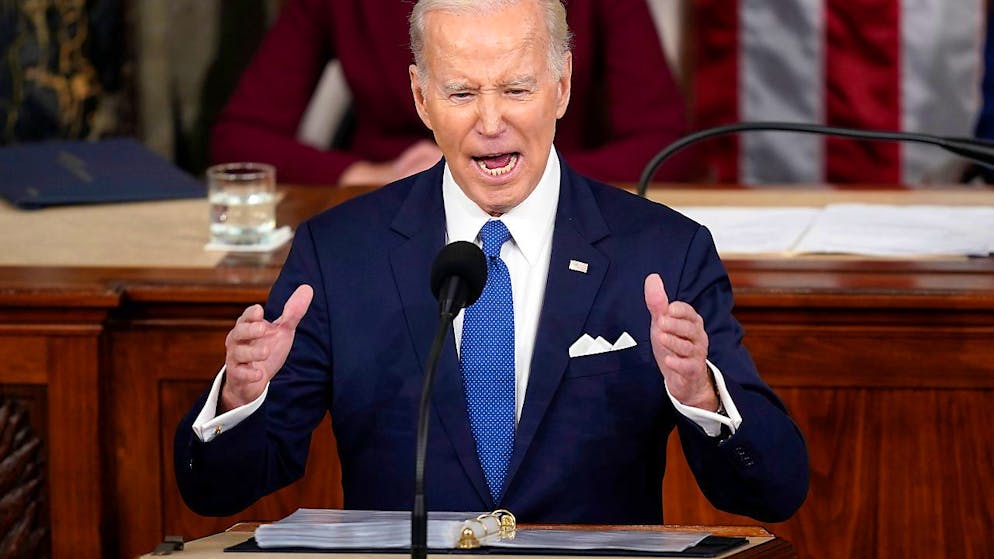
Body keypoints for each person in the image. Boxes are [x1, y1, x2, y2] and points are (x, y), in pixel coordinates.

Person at [176, 0, 808, 524]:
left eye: (516, 89)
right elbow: (217, 491)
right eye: (460, 92)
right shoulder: (340, 255)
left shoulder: (664, 253)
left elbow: (775, 490)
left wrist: (701, 393)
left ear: (561, 86)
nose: (490, 122)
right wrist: (239, 395)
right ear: (421, 99)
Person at [209, 0, 693, 186]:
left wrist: (538, 179)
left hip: (558, 212)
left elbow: (669, 146)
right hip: (393, 211)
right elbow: (239, 140)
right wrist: (367, 175)